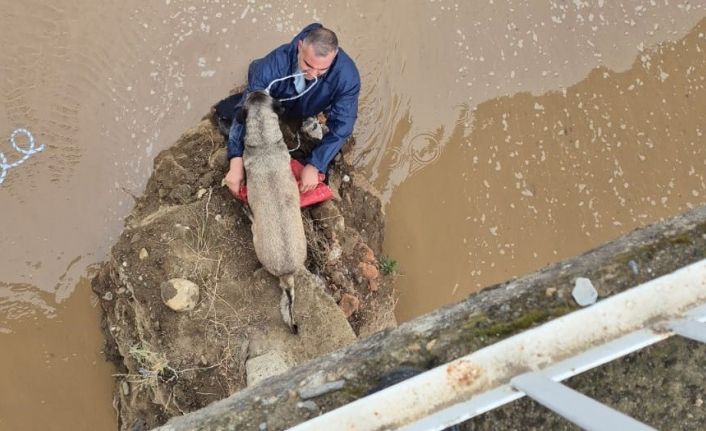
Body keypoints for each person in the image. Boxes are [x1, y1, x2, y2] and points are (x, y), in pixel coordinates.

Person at [224, 23, 361, 196]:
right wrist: (235, 160)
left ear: (334, 58)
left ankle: (312, 114)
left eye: (322, 70)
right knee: (245, 98)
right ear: (300, 47)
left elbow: (344, 125)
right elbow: (246, 110)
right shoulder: (272, 66)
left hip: (313, 103)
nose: (313, 74)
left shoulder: (347, 76)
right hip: (278, 98)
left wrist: (315, 164)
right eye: (308, 65)